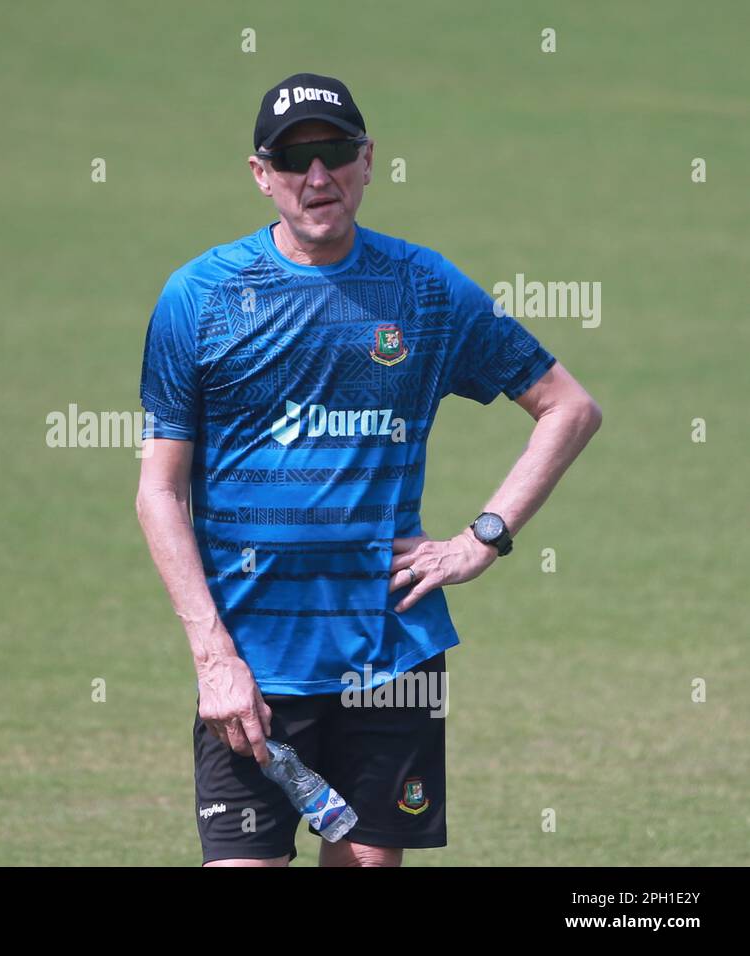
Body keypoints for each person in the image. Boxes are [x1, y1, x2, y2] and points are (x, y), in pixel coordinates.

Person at [136, 74, 602, 866]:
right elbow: (158, 491)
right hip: (253, 660)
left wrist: (481, 538)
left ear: (368, 159)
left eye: (335, 153)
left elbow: (569, 407)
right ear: (261, 174)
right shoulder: (202, 297)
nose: (318, 177)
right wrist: (213, 658)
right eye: (294, 159)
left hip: (390, 656)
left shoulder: (424, 289)